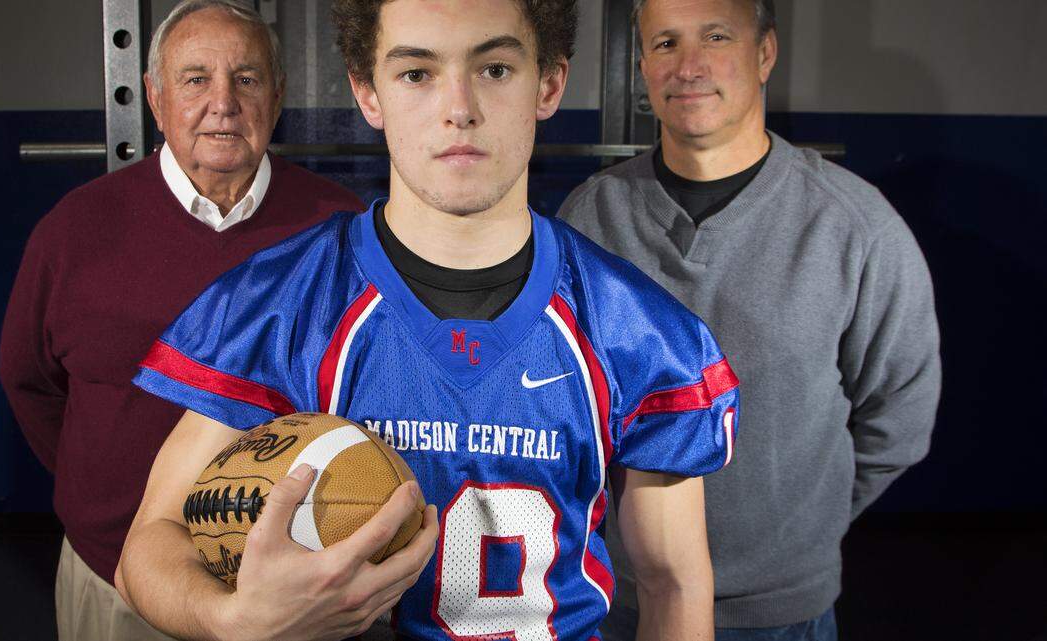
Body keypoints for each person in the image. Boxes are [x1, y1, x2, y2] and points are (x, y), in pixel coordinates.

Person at [116, 0, 741, 639]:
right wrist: (233, 619)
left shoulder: (636, 329)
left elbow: (675, 586)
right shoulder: (280, 304)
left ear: (549, 84)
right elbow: (151, 543)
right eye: (417, 73)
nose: (459, 107)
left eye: (495, 68)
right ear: (368, 93)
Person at [557, 0, 941, 639]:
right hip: (617, 597)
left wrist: (795, 540)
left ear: (764, 53)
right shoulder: (590, 218)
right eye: (666, 44)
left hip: (780, 613)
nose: (689, 66)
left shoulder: (855, 225)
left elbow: (898, 419)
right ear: (644, 66)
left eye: (715, 37)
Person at [0, 1, 363, 638]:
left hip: (285, 582)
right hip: (112, 577)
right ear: (155, 97)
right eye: (196, 79)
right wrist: (102, 494)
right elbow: (29, 382)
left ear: (276, 98)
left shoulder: (341, 229)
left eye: (246, 79)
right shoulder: (75, 229)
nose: (223, 102)